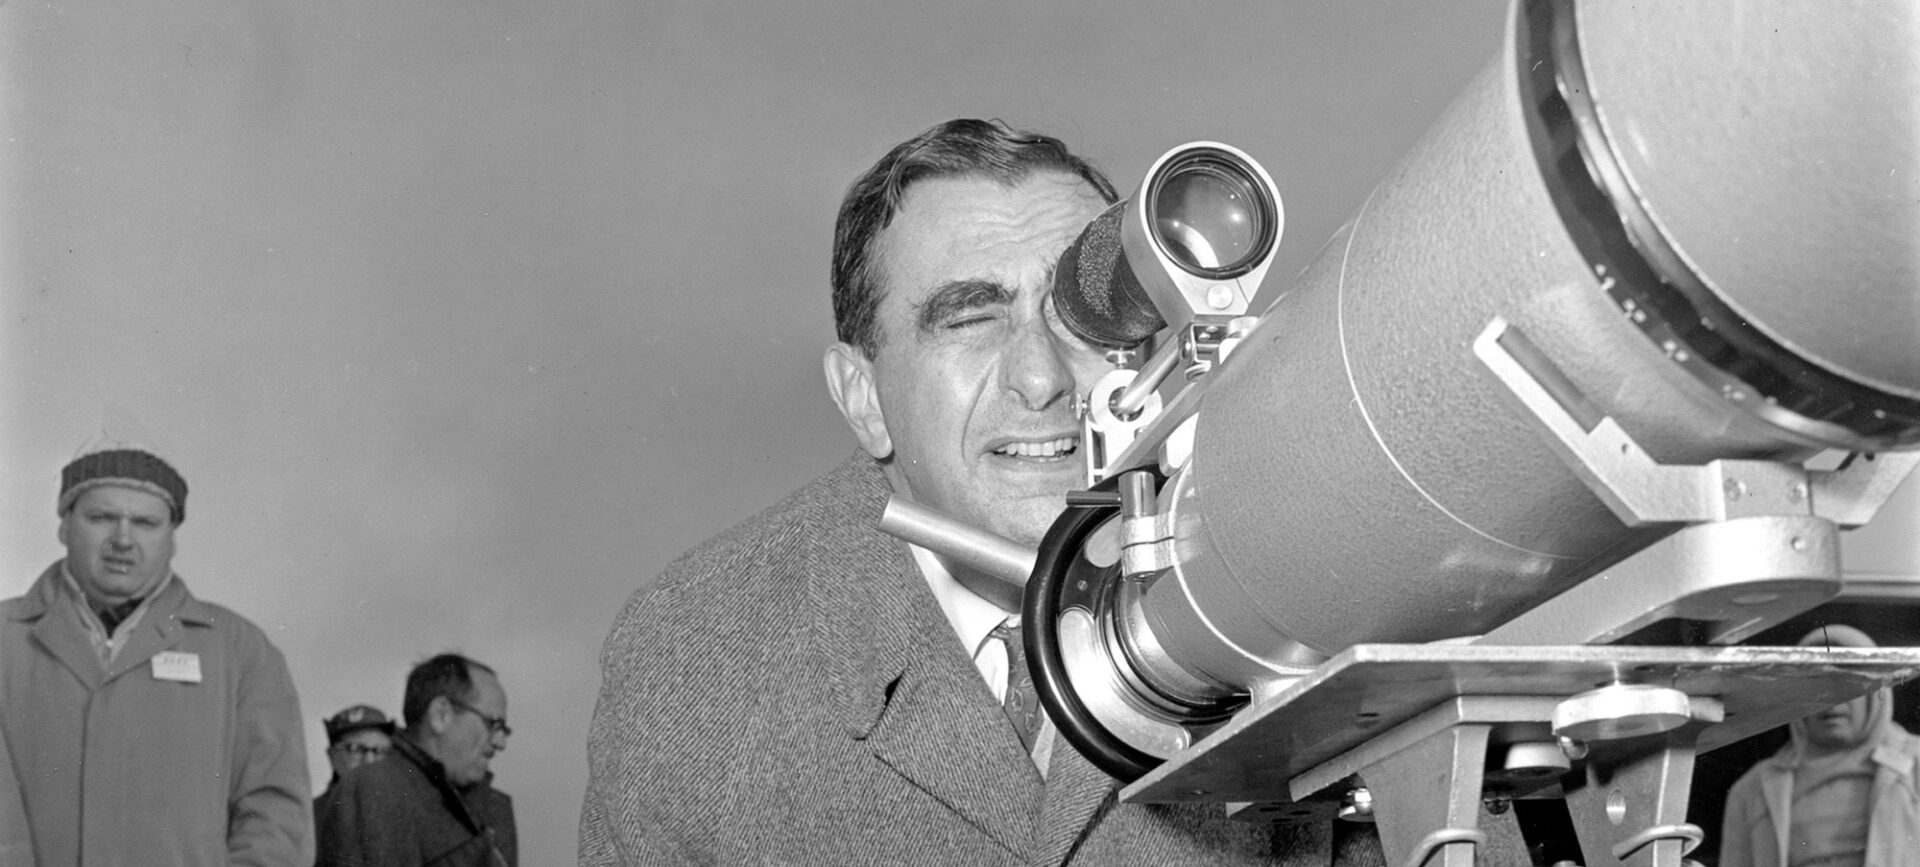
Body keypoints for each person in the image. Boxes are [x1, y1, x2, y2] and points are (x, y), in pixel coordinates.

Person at [579, 118, 1525, 866]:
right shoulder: (701, 651)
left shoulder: (1330, 570)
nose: (1041, 378)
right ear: (863, 399)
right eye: (971, 317)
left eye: (1085, 311)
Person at [0, 444, 311, 866]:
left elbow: (277, 816)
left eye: (145, 523)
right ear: (63, 526)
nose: (123, 540)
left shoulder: (239, 650)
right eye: (102, 518)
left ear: (172, 537)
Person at [1719, 624, 1920, 867]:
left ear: (1876, 693)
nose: (1833, 703)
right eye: (1817, 689)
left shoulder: (1915, 765)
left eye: (1848, 687)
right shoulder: (1753, 789)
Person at [316, 653, 516, 867]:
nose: (500, 742)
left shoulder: (496, 808)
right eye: (493, 724)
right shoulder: (372, 792)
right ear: (440, 715)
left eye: (503, 729)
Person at [318, 704, 397, 798]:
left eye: (379, 750)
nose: (369, 760)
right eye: (356, 749)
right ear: (333, 756)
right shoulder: (314, 811)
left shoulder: (408, 808)